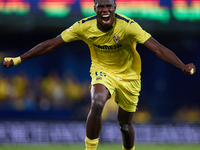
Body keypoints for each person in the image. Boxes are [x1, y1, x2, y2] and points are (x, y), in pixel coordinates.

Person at [3, 0, 196, 149]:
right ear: (95, 8)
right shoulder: (83, 26)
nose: (105, 10)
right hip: (102, 72)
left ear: (115, 7)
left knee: (125, 125)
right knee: (97, 103)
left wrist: (181, 65)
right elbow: (52, 44)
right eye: (101, 6)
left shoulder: (128, 26)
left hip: (130, 77)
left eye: (109, 6)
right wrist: (19, 59)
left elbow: (158, 49)